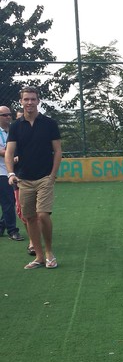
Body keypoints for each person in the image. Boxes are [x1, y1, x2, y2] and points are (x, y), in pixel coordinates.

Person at [5, 86, 62, 269]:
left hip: (45, 177)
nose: (29, 102)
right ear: (21, 102)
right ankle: (38, 257)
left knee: (43, 215)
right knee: (29, 218)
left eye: (33, 99)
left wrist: (52, 175)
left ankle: (49, 252)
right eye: (26, 99)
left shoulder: (49, 124)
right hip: (24, 180)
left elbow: (58, 150)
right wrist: (11, 173)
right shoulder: (15, 127)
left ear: (38, 101)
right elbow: (9, 152)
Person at [1, 105, 22, 241]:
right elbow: (3, 151)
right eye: (5, 115)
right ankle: (12, 231)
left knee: (10, 200)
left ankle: (2, 226)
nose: (9, 117)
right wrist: (13, 156)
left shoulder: (13, 130)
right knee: (9, 201)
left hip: (14, 170)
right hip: (2, 171)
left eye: (10, 114)